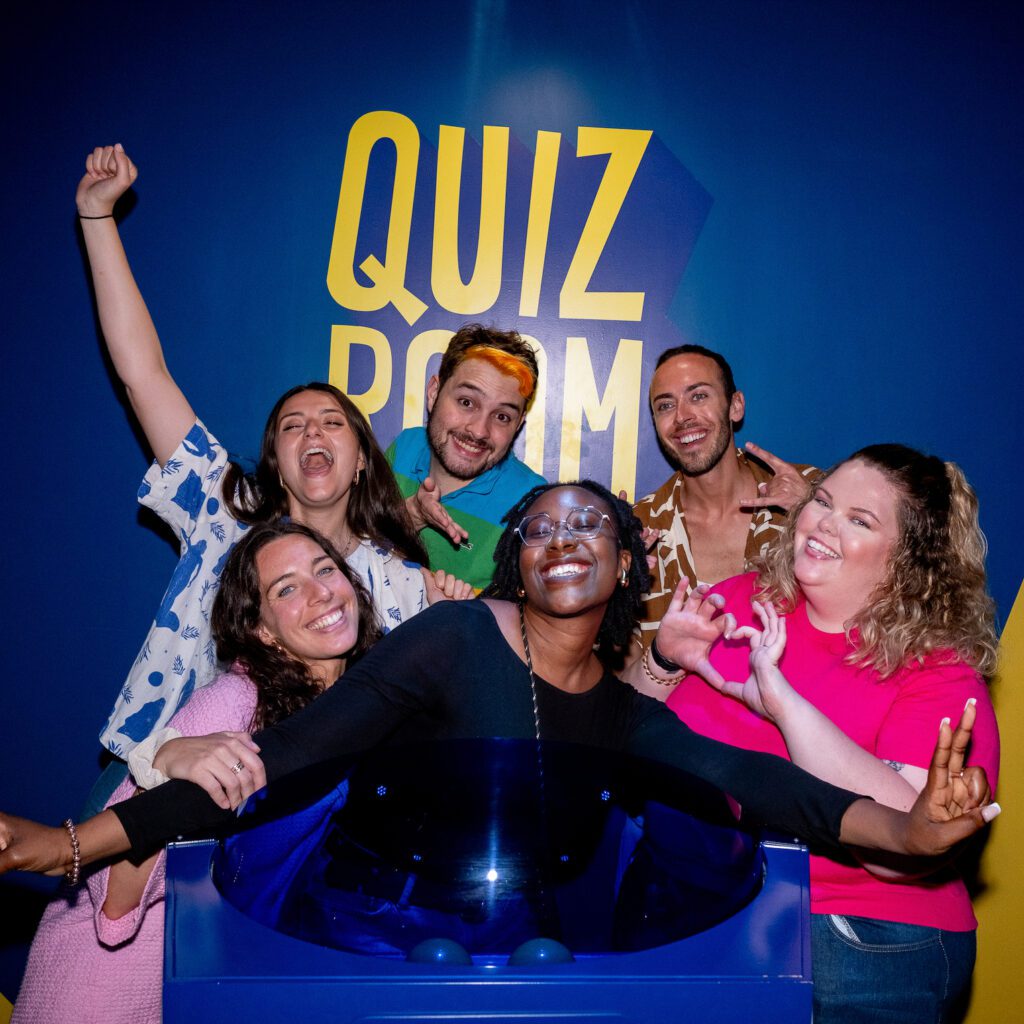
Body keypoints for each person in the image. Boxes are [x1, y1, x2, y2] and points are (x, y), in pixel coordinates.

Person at [0, 484, 998, 898]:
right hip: (379, 932)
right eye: (541, 529)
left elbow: (775, 789)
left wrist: (909, 834)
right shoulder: (448, 636)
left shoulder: (624, 712)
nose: (564, 541)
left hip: (533, 954)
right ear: (513, 562)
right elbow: (276, 763)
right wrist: (72, 843)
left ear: (624, 571)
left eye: (589, 529)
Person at [76, 144, 469, 763]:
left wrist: (453, 627)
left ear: (363, 458)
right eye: (293, 426)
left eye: (332, 422)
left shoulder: (403, 586)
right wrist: (97, 220)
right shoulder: (220, 511)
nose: (312, 433)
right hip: (166, 783)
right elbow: (143, 374)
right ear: (276, 460)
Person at [649, 444, 999, 1023]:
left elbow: (902, 850)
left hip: (859, 935)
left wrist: (780, 701)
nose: (822, 523)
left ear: (912, 558)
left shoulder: (939, 673)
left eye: (859, 520)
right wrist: (662, 661)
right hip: (707, 911)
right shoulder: (743, 598)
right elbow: (632, 738)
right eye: (822, 501)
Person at [12, 521, 380, 1024]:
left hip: (218, 977)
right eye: (287, 588)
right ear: (261, 629)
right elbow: (115, 902)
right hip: (109, 984)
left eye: (325, 570)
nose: (321, 593)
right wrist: (163, 763)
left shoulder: (363, 706)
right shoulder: (237, 701)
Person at [629, 344, 816, 678]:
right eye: (665, 405)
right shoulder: (639, 529)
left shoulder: (814, 496)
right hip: (677, 725)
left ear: (735, 406)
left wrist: (816, 511)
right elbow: (619, 678)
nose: (682, 416)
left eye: (698, 396)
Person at [387, 323, 547, 589]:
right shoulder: (405, 448)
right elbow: (353, 551)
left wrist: (465, 613)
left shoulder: (531, 502)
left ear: (517, 426)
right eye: (466, 402)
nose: (479, 431)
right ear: (433, 393)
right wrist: (412, 515)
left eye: (502, 416)